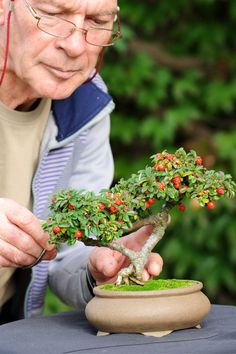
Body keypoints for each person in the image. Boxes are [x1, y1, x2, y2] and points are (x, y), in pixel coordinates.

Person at [0, 0, 163, 324]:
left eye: (98, 20)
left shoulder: (86, 106)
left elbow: (65, 254)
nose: (75, 45)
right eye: (53, 15)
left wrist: (96, 265)